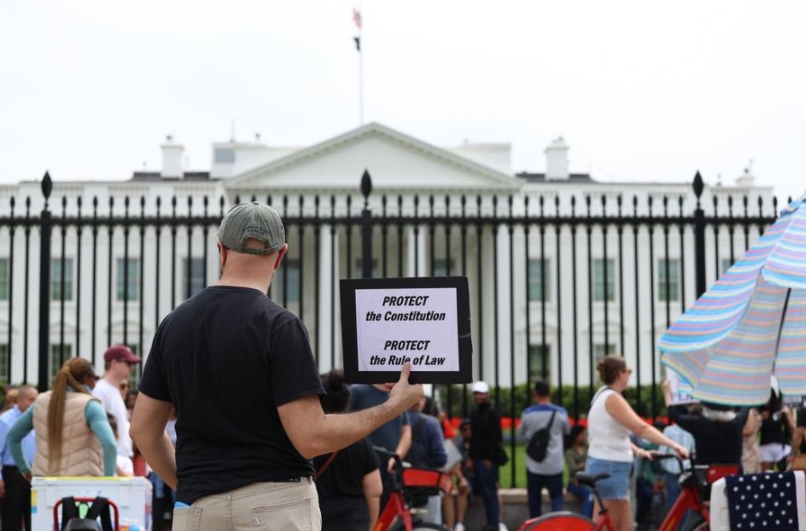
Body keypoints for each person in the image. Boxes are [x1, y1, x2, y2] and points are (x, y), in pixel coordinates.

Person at [130, 201, 423, 531]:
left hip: (199, 508)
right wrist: (393, 406)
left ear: (221, 250)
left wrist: (191, 486)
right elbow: (310, 437)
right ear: (280, 255)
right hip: (275, 504)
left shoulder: (174, 324)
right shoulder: (279, 325)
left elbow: (142, 430)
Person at [585, 356, 689, 531]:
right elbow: (641, 428)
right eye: (628, 372)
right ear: (620, 373)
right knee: (610, 527)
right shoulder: (613, 398)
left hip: (605, 465)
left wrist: (638, 451)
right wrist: (675, 445)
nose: (629, 376)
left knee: (621, 526)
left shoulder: (601, 395)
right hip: (611, 468)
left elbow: (612, 436)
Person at [7, 357, 117, 477]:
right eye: (95, 378)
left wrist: (25, 469)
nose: (96, 382)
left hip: (44, 483)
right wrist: (108, 479)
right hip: (82, 484)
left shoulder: (40, 402)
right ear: (86, 379)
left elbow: (12, 437)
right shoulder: (90, 405)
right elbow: (109, 444)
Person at [314, 369, 382, 531]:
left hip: (319, 520)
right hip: (355, 520)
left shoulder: (309, 440)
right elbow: (375, 490)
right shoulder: (360, 440)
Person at [661, 380, 748, 470]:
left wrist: (667, 393)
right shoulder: (736, 422)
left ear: (706, 408)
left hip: (707, 475)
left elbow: (675, 415)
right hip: (733, 475)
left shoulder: (700, 424)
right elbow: (745, 406)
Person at [517, 380, 570, 518]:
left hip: (534, 463)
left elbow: (520, 433)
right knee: (557, 497)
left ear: (535, 394)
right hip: (555, 464)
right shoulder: (561, 413)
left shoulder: (528, 413)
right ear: (550, 393)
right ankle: (557, 526)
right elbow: (567, 430)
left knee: (534, 500)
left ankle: (536, 527)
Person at [93, 344, 141, 461]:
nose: (132, 368)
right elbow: (98, 434)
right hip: (113, 460)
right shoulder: (101, 390)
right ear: (114, 363)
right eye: (128, 363)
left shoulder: (112, 390)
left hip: (120, 457)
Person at [469, 380, 505, 531]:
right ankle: (491, 523)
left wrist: (490, 458)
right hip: (478, 459)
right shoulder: (475, 413)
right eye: (477, 394)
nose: (480, 397)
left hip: (486, 461)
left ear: (487, 395)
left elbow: (495, 438)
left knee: (490, 493)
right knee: (485, 493)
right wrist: (471, 457)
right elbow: (474, 438)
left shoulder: (492, 413)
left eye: (482, 394)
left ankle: (494, 525)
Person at [0, 386, 37, 531]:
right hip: (12, 475)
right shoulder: (4, 421)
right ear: (19, 400)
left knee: (34, 519)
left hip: (34, 473)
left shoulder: (38, 419)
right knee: (12, 519)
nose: (34, 404)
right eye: (31, 400)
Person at [407, 395, 447, 524]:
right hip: (426, 485)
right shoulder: (431, 423)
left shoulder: (392, 421)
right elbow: (440, 458)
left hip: (399, 485)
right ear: (421, 402)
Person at [657, 421, 694, 510]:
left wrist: (665, 466)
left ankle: (674, 523)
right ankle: (686, 524)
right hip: (687, 469)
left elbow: (662, 453)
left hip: (672, 469)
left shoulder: (669, 430)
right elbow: (694, 451)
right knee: (687, 500)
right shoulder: (692, 430)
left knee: (673, 501)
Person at [758, 389, 792, 471]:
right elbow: (754, 432)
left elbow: (791, 429)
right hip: (765, 445)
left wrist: (789, 417)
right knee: (766, 475)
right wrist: (759, 418)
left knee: (786, 474)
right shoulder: (759, 411)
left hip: (781, 446)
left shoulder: (781, 410)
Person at [564, 425, 593, 518]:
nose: (584, 437)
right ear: (576, 436)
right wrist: (584, 465)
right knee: (589, 494)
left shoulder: (587, 448)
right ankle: (585, 521)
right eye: (582, 435)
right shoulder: (570, 451)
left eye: (585, 435)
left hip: (588, 481)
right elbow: (572, 468)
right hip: (575, 483)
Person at [741, 407, 762, 474]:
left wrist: (733, 431)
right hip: (747, 446)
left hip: (749, 448)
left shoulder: (751, 413)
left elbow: (750, 430)